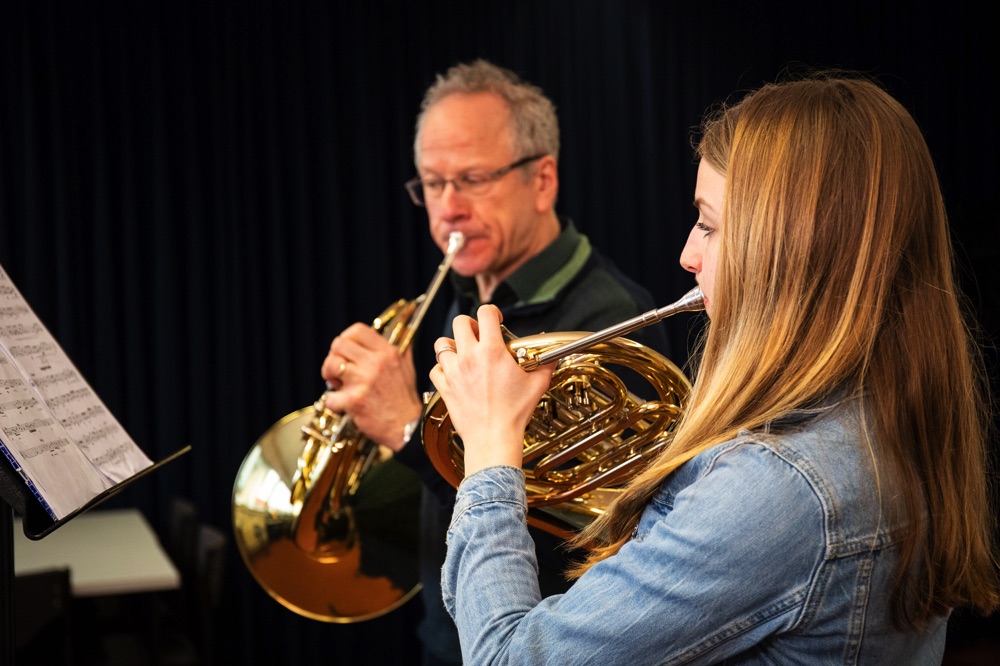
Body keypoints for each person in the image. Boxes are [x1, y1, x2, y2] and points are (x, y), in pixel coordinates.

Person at [429, 73, 1000, 664]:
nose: (687, 254)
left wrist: (492, 449)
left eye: (708, 223)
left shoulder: (780, 488)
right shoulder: (881, 418)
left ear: (790, 246)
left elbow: (507, 657)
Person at [321, 59, 671, 665]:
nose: (448, 208)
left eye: (473, 179)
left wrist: (409, 430)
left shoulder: (607, 316)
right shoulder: (467, 295)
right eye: (432, 184)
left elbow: (579, 529)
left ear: (542, 181)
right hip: (447, 634)